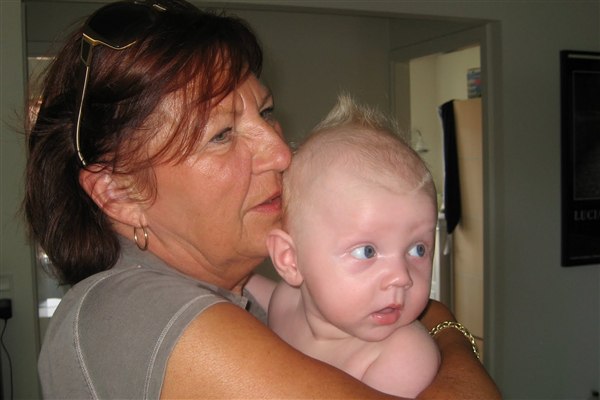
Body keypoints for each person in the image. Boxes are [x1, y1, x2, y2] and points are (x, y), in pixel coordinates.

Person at [24, 0, 501, 398]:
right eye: (222, 134)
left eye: (267, 112)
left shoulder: (251, 295)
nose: (280, 152)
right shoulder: (135, 314)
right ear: (119, 193)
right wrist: (443, 329)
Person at [266, 94, 443, 398]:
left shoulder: (404, 357)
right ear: (290, 259)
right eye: (367, 252)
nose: (401, 277)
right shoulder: (285, 302)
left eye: (418, 249)